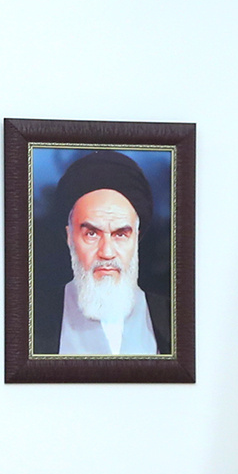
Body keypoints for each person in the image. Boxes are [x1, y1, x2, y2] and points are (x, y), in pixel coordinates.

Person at [39, 148, 165, 356]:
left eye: (120, 234)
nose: (106, 253)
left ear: (136, 238)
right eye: (91, 234)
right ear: (70, 236)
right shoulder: (33, 317)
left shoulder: (173, 317)